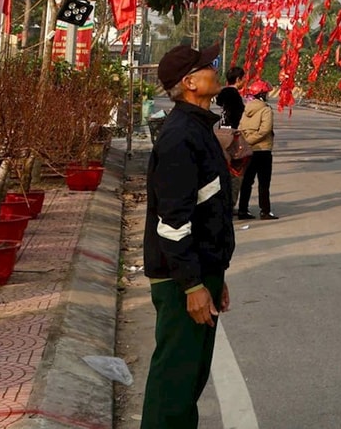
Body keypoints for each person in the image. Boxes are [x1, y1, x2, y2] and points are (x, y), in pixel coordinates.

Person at [141, 42, 236, 429]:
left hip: (200, 272)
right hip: (182, 280)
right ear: (190, 82)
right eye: (207, 66)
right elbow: (173, 221)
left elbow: (207, 209)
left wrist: (216, 277)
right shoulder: (180, 137)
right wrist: (193, 284)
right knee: (174, 385)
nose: (216, 68)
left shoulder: (198, 129)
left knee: (189, 381)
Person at [234, 79, 277, 221]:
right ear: (262, 95)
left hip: (248, 151)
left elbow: (240, 128)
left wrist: (247, 142)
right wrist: (253, 140)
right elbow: (265, 130)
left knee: (247, 181)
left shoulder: (246, 109)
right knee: (264, 183)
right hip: (263, 150)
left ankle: (242, 210)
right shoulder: (266, 110)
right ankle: (265, 211)